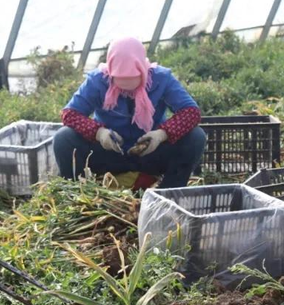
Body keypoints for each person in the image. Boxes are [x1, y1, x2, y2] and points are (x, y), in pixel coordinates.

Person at [53, 37, 206, 190]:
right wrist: (99, 133)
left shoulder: (161, 79)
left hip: (150, 154)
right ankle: (78, 192)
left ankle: (167, 193)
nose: (127, 89)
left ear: (142, 69)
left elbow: (191, 112)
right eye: (120, 79)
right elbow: (70, 114)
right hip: (109, 153)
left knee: (196, 137)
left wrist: (161, 135)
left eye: (133, 78)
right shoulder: (97, 80)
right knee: (63, 137)